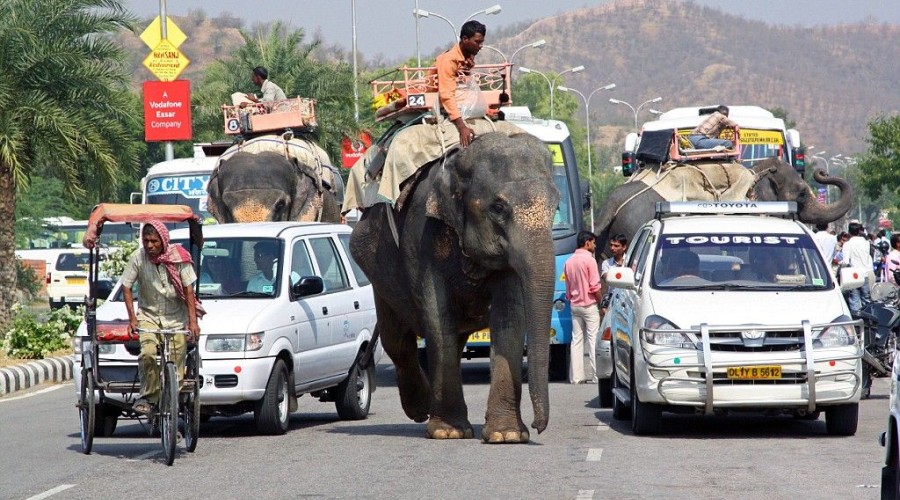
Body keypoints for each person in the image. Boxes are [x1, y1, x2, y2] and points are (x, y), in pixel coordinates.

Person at [122, 221, 203, 415]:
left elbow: (188, 289)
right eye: (146, 240)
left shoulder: (179, 257)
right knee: (148, 353)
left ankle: (172, 400)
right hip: (148, 316)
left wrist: (193, 322)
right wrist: (132, 319)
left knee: (178, 360)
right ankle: (150, 397)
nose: (149, 245)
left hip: (175, 317)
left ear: (163, 241)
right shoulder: (138, 258)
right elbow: (126, 286)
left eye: (154, 241)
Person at [432, 20, 486, 148]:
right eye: (477, 42)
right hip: (441, 98)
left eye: (482, 42)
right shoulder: (449, 60)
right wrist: (462, 127)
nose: (480, 46)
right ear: (465, 39)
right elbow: (446, 94)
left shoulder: (467, 58)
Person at [563, 231, 603, 385]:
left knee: (577, 341)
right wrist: (602, 303)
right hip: (589, 305)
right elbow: (594, 287)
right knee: (593, 339)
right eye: (593, 242)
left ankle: (577, 377)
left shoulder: (569, 261)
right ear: (587, 243)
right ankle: (596, 376)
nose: (594, 245)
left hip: (574, 305)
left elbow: (567, 288)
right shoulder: (590, 261)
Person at [844, 222, 873, 316]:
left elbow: (845, 262)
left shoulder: (847, 244)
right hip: (865, 273)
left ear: (849, 232)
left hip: (854, 276)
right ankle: (869, 322)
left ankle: (857, 323)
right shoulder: (866, 243)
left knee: (854, 300)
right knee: (867, 300)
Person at [599, 234, 628, 317]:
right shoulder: (607, 263)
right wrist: (619, 269)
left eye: (616, 246)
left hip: (627, 300)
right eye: (611, 245)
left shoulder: (630, 262)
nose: (612, 248)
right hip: (612, 299)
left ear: (624, 247)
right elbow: (607, 278)